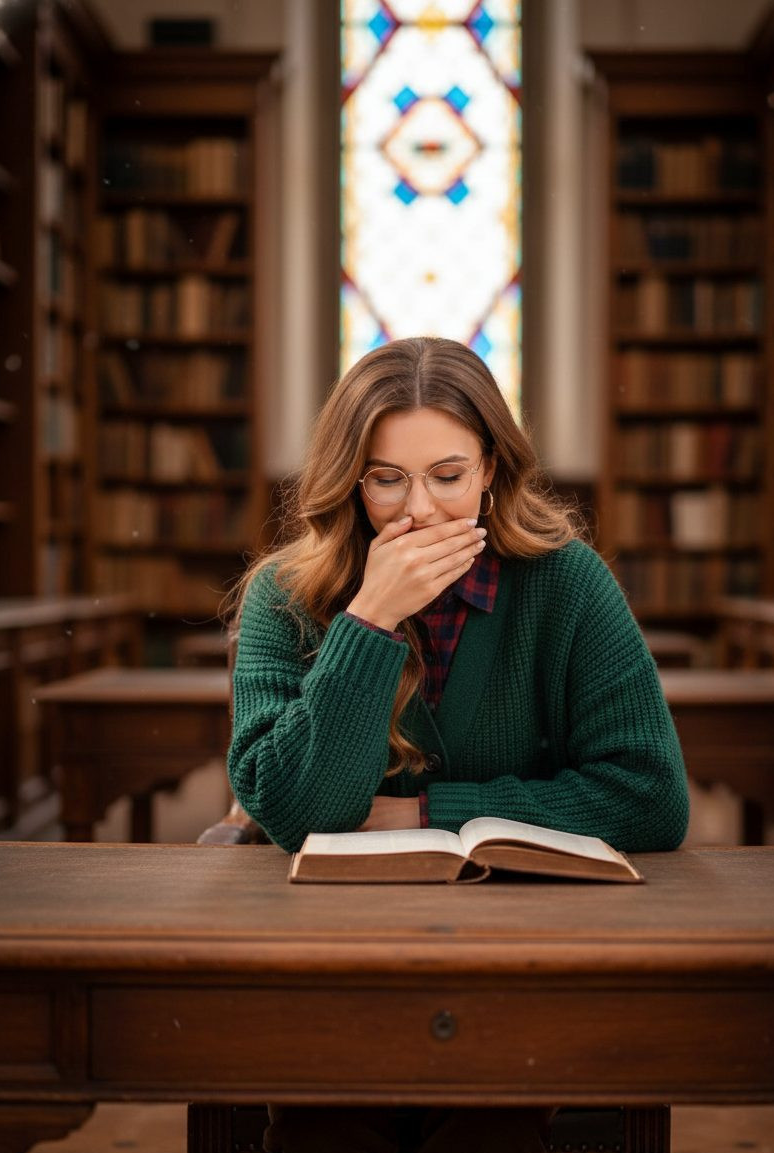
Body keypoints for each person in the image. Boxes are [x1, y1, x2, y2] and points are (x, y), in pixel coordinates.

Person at [227, 336, 689, 1153]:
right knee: (322, 1134)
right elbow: (298, 810)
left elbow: (650, 794)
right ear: (351, 480)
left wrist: (425, 813)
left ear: (490, 471)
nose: (419, 511)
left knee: (492, 1129)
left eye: (448, 475)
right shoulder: (282, 596)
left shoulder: (567, 582)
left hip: (521, 951)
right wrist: (368, 619)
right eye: (386, 479)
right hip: (327, 955)